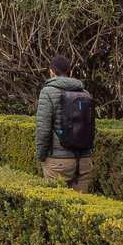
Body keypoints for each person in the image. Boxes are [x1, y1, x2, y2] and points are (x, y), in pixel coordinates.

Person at [35, 54, 95, 192]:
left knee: (56, 208)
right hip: (84, 161)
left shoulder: (48, 92)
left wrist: (41, 157)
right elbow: (90, 127)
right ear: (70, 72)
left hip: (57, 161)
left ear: (51, 71)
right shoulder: (85, 93)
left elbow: (43, 130)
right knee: (81, 209)